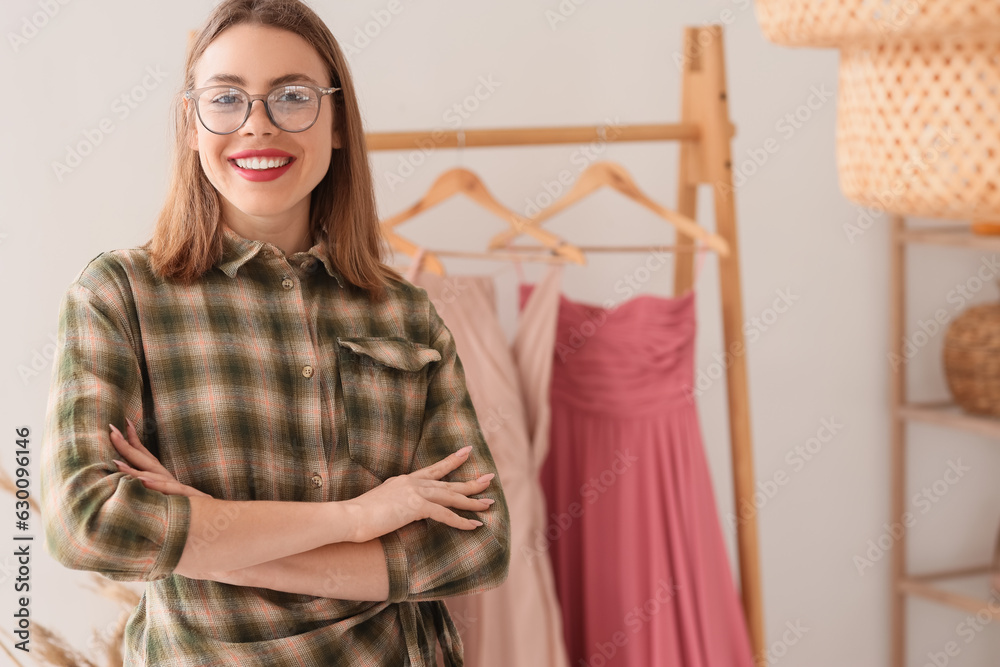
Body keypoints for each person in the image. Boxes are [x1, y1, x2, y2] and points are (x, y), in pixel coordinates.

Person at [38, 1, 511, 665]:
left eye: (293, 97)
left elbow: (475, 546)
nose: (257, 126)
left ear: (338, 120)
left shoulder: (406, 312)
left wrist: (209, 539)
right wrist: (356, 518)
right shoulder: (119, 296)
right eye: (225, 99)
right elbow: (88, 525)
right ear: (191, 124)